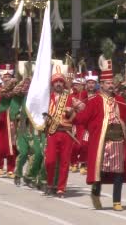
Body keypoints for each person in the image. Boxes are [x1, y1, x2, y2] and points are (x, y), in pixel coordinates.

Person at [75, 58, 126, 211]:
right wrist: (72, 113)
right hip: (101, 143)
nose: (111, 85)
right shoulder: (95, 101)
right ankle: (95, 194)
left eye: (112, 83)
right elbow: (83, 118)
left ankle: (117, 202)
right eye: (108, 83)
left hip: (118, 141)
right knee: (99, 172)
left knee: (119, 171)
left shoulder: (119, 100)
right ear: (102, 85)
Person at [43, 65, 81, 198]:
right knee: (50, 161)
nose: (58, 84)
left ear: (64, 83)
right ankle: (49, 184)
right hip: (53, 132)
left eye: (60, 82)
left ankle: (61, 188)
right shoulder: (47, 98)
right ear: (53, 84)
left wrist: (73, 111)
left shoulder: (70, 97)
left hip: (66, 133)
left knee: (65, 161)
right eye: (56, 82)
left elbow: (81, 108)